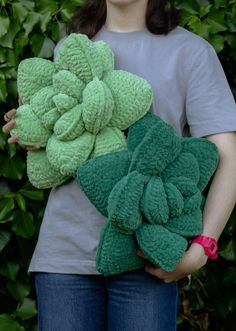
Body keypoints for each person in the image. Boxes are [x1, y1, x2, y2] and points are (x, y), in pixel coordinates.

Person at [2, 0, 236, 330]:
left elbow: (228, 156)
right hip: (65, 259)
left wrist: (203, 247)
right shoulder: (71, 47)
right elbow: (61, 143)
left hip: (146, 258)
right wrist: (34, 130)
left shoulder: (191, 53)